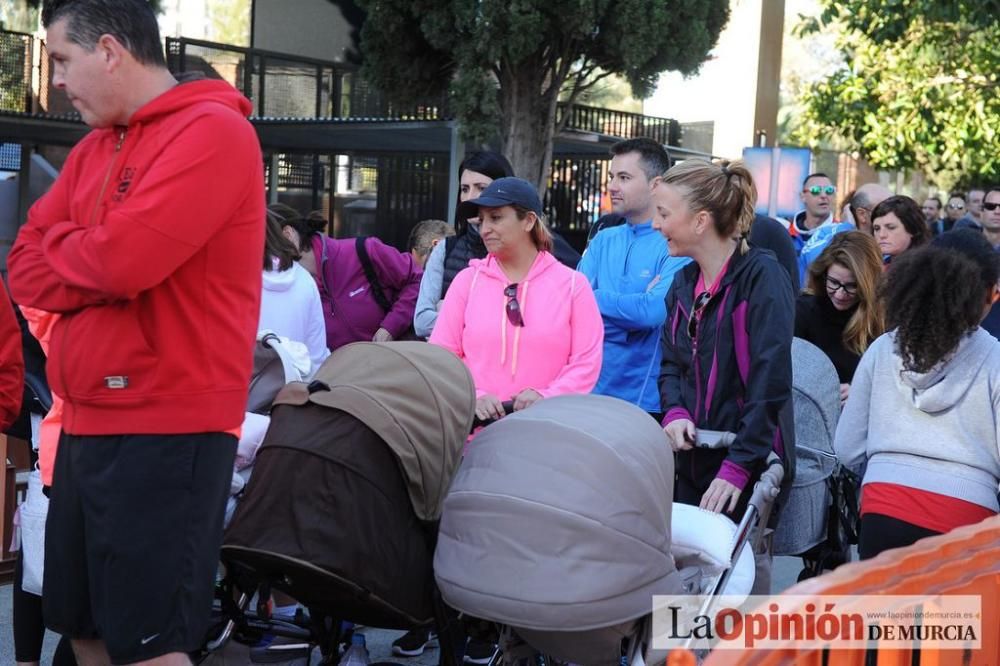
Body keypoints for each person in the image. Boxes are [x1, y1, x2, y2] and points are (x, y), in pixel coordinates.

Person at [6, 1, 266, 664]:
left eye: (62, 59)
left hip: (169, 427)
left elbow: (124, 263)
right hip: (88, 419)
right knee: (85, 628)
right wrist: (94, 254)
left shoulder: (215, 134)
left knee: (148, 646)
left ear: (112, 51)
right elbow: (23, 266)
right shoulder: (96, 147)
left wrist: (91, 253)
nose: (56, 80)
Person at [655, 160, 794, 594]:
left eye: (664, 214)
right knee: (682, 586)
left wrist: (739, 465)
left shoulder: (762, 276)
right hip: (693, 456)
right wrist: (675, 412)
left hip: (747, 459)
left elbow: (770, 383)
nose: (657, 225)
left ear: (700, 221)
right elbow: (671, 364)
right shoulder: (682, 283)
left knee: (734, 581)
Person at [834, 230, 1000, 559]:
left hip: (883, 507)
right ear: (987, 295)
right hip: (968, 515)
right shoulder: (995, 358)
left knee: (885, 612)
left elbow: (846, 446)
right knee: (956, 614)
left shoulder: (883, 349)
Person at [430, 177, 603, 422]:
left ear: (529, 221)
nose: (484, 228)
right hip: (473, 435)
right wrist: (474, 396)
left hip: (549, 431)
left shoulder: (574, 286)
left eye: (496, 217)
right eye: (482, 220)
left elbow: (586, 363)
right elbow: (440, 358)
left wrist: (547, 396)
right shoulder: (466, 281)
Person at [577, 138, 689, 419]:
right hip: (589, 393)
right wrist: (630, 324)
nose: (612, 186)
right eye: (612, 176)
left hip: (646, 403)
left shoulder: (675, 243)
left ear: (656, 184)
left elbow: (652, 313)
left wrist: (594, 302)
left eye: (624, 177)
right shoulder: (603, 239)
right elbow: (572, 308)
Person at [274, 205, 421, 350]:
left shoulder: (365, 251)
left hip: (395, 364)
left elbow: (417, 280)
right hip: (340, 372)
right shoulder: (289, 288)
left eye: (265, 247)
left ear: (288, 234)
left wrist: (391, 327)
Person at [413, 151, 515, 339]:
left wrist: (449, 312)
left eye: (481, 188)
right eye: (465, 189)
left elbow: (520, 323)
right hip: (451, 365)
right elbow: (421, 322)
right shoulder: (444, 250)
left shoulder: (521, 252)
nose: (470, 197)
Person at [795, 232, 885, 406]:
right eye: (833, 282)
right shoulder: (803, 311)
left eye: (852, 286)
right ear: (823, 275)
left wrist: (861, 390)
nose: (840, 294)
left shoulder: (881, 318)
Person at [259, 209, 329, 375]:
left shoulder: (232, 281)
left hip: (246, 392)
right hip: (295, 391)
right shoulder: (305, 280)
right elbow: (317, 355)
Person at [791, 173, 854, 284]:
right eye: (816, 190)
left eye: (829, 190)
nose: (824, 195)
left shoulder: (842, 234)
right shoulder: (787, 233)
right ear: (802, 196)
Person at [871, 195, 931, 267]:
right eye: (877, 228)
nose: (882, 235)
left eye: (891, 227)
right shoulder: (877, 265)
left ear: (912, 229)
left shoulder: (927, 268)